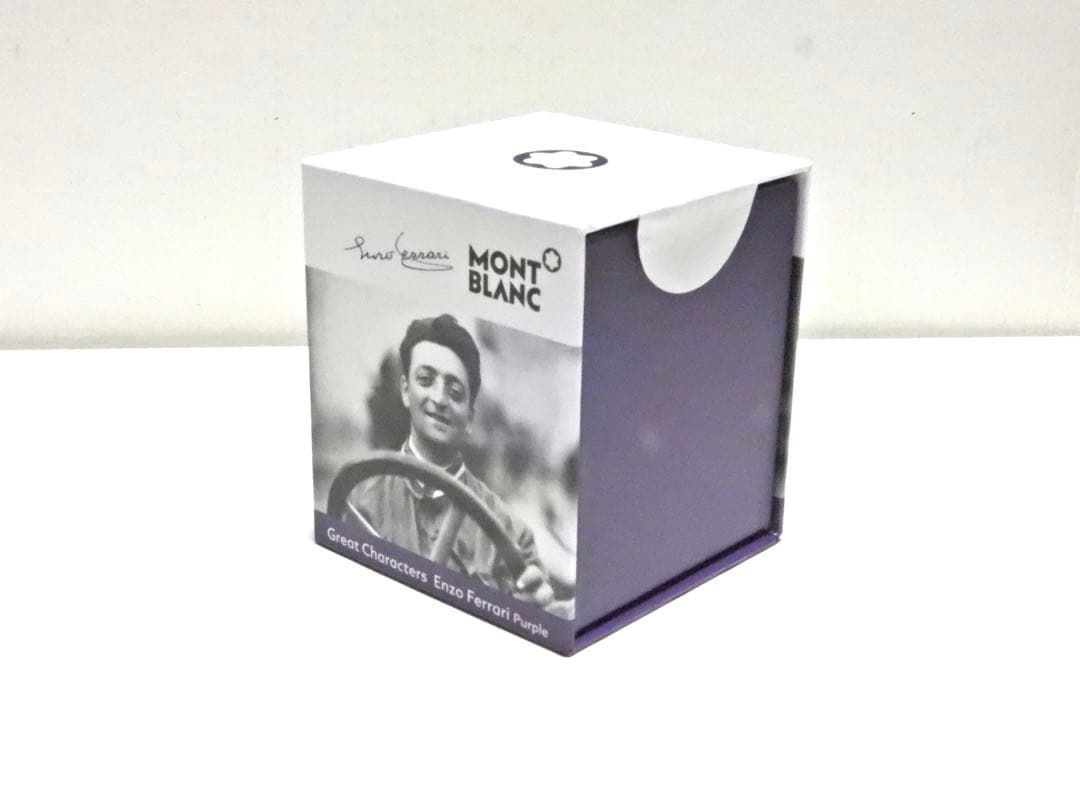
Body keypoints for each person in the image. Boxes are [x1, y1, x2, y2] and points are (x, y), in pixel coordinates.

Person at [345, 314, 556, 609]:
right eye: (425, 380)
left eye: (455, 391)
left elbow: (539, 602)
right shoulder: (362, 498)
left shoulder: (514, 533)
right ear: (405, 391)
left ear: (470, 415)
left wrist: (534, 602)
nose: (439, 399)